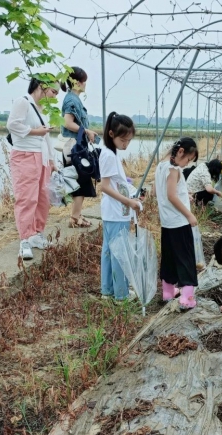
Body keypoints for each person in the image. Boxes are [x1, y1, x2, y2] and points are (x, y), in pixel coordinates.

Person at [6, 77, 59, 260]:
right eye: (53, 91)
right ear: (42, 87)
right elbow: (12, 124)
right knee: (26, 198)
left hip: (41, 156)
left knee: (43, 198)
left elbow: (46, 138)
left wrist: (52, 160)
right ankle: (25, 240)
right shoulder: (23, 102)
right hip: (25, 155)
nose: (54, 96)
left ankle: (37, 234)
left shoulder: (41, 109)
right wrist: (36, 131)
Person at [98, 112, 141, 302]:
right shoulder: (108, 155)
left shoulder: (110, 152)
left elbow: (114, 182)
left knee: (109, 252)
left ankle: (107, 290)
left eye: (129, 140)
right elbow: (104, 186)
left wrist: (129, 190)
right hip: (116, 213)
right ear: (111, 134)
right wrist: (129, 202)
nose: (126, 144)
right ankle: (121, 295)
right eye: (123, 140)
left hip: (112, 212)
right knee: (119, 254)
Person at [154, 138, 200, 309]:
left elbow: (158, 192)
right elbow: (172, 196)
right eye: (188, 159)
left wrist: (184, 196)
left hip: (167, 223)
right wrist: (189, 215)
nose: (187, 164)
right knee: (185, 259)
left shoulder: (161, 166)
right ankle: (186, 299)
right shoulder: (173, 169)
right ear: (180, 152)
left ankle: (168, 292)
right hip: (179, 223)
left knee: (169, 258)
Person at [57, 66, 99, 229]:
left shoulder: (72, 99)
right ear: (77, 82)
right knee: (80, 181)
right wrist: (86, 130)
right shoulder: (72, 100)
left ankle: (77, 215)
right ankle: (75, 218)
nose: (85, 84)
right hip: (74, 148)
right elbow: (67, 122)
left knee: (81, 181)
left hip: (76, 146)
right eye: (83, 81)